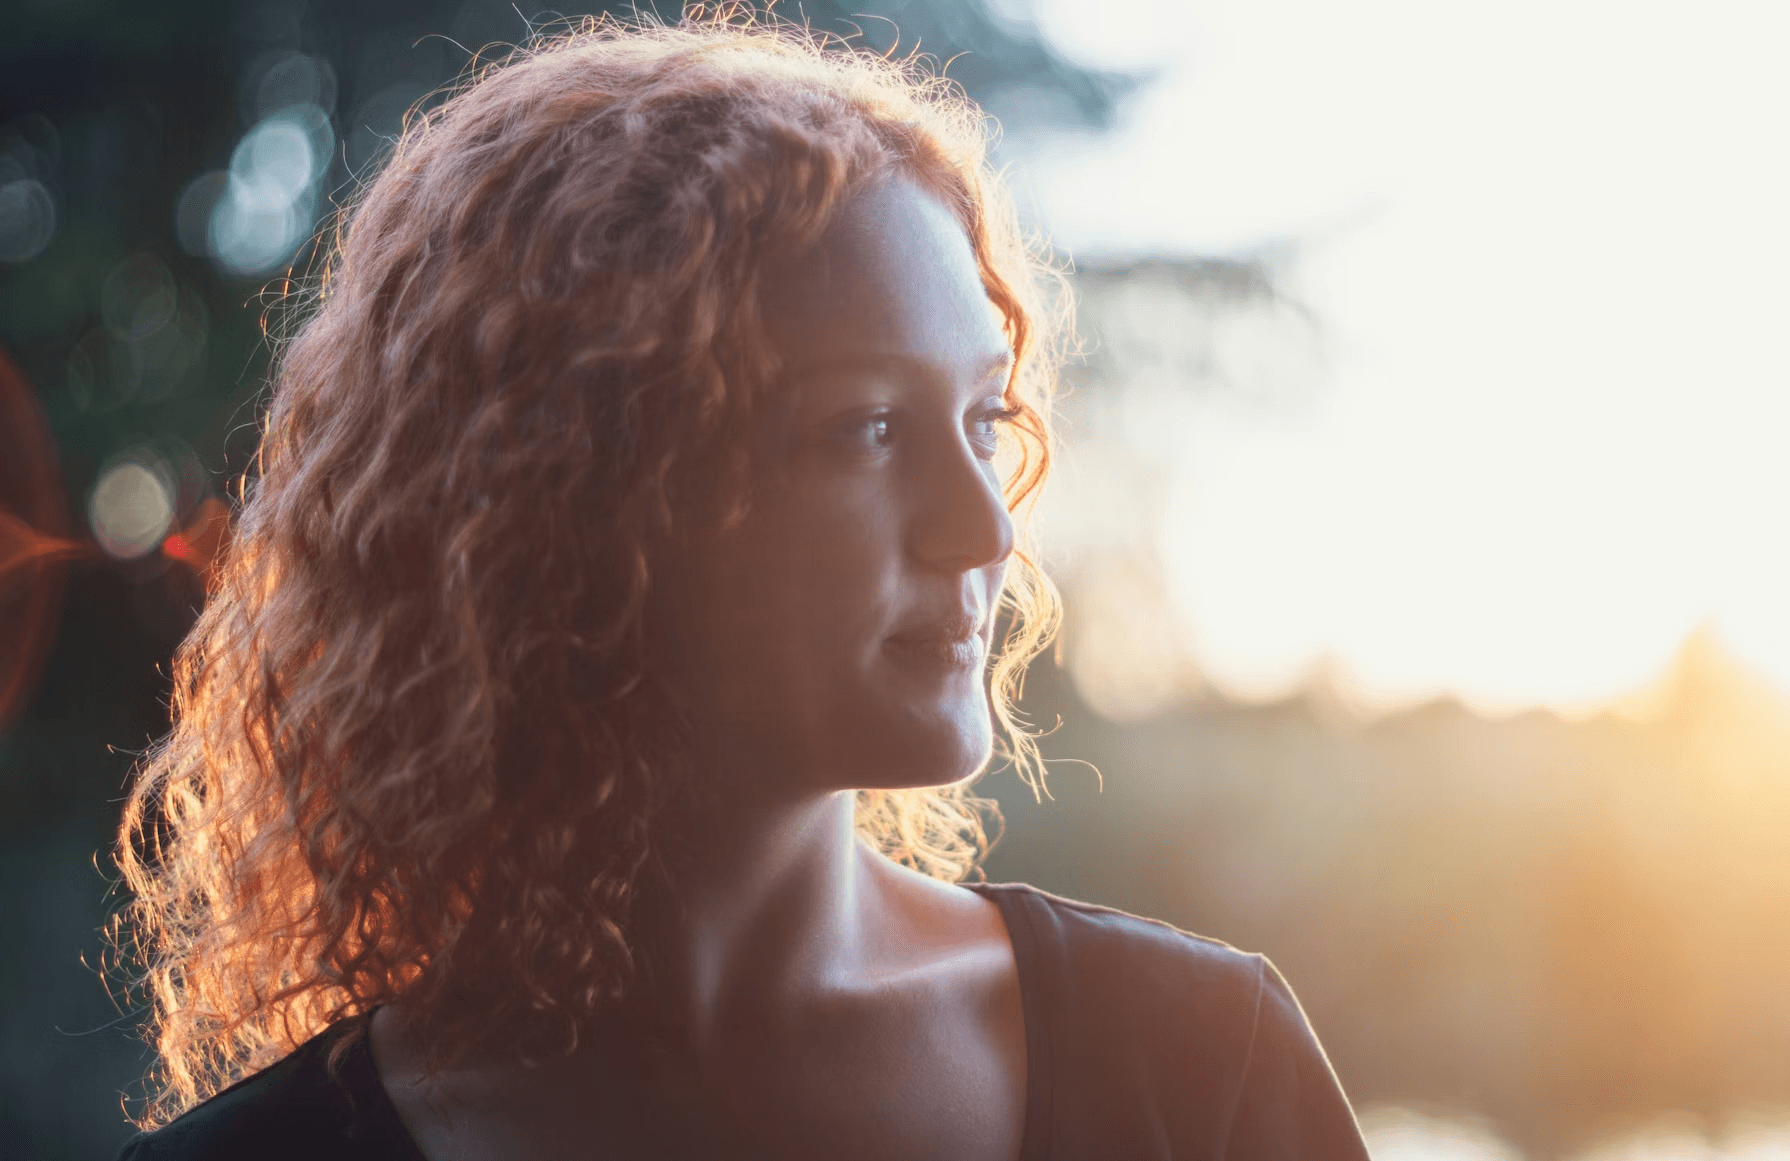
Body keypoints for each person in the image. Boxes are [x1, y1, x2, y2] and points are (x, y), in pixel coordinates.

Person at [112, 13, 1371, 1160]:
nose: (982, 528)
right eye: (865, 429)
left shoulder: (1201, 1068)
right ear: (578, 494)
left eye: (984, 419)